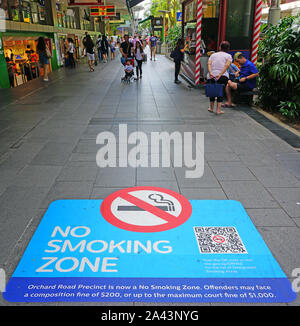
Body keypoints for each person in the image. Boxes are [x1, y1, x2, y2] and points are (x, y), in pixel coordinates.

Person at [207, 41, 232, 115]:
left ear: (220, 47)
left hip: (212, 75)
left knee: (212, 91)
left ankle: (211, 108)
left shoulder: (213, 55)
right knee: (220, 92)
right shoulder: (228, 56)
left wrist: (211, 72)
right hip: (223, 76)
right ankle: (218, 110)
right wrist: (220, 74)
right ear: (228, 48)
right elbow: (226, 66)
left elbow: (209, 64)